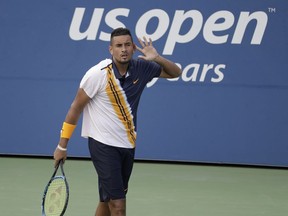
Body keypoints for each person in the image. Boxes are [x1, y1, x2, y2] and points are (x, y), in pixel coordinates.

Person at [53, 27, 182, 216]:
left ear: (133, 48)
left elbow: (175, 73)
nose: (124, 49)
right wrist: (62, 146)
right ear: (111, 49)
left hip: (127, 145)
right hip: (103, 145)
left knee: (106, 202)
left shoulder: (142, 68)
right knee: (118, 206)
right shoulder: (98, 74)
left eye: (127, 45)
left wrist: (158, 58)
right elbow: (75, 108)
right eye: (119, 45)